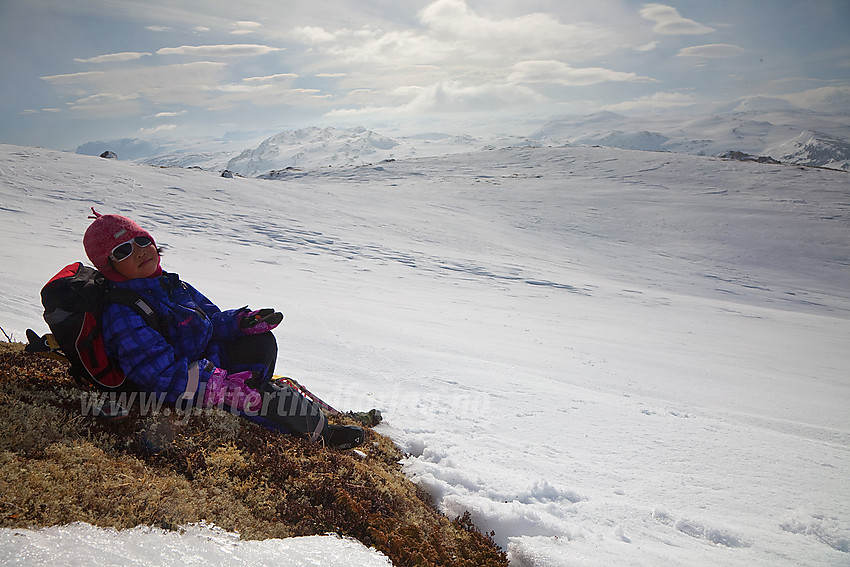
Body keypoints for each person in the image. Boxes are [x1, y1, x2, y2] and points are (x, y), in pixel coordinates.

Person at [83, 208, 364, 450]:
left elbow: (211, 321)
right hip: (183, 384)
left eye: (141, 239)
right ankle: (319, 435)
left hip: (209, 364)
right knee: (263, 399)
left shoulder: (169, 284)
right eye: (123, 251)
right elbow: (158, 375)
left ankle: (256, 395)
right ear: (110, 267)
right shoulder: (122, 310)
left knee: (261, 343)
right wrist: (223, 389)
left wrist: (243, 322)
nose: (140, 251)